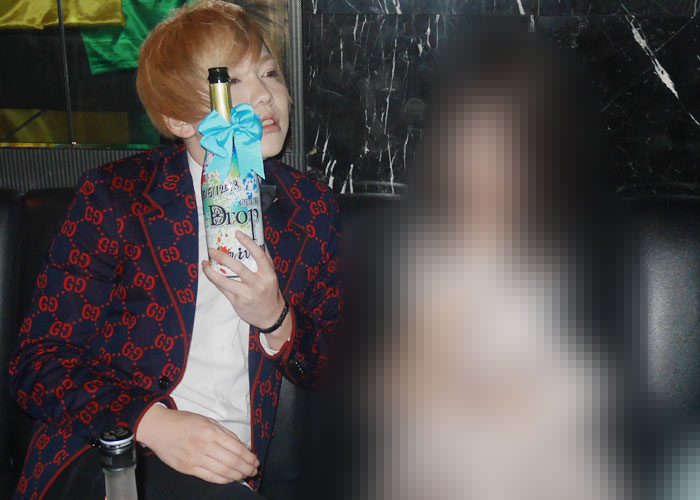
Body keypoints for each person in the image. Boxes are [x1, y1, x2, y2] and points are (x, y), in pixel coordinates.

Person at [8, 1, 342, 498]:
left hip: (235, 468)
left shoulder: (310, 208)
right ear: (178, 119)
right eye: (231, 82)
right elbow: (38, 362)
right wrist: (154, 424)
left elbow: (332, 366)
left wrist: (276, 318)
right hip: (108, 450)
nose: (264, 96)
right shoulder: (118, 197)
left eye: (269, 73)